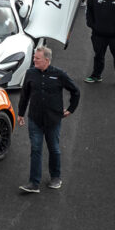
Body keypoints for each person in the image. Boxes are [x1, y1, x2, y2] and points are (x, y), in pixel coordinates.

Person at [18, 45, 80, 193]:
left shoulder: (59, 74)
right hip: (35, 119)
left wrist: (71, 109)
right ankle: (33, 183)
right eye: (34, 57)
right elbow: (24, 94)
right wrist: (20, 114)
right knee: (36, 149)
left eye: (37, 58)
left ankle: (56, 177)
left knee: (54, 149)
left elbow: (75, 91)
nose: (34, 60)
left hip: (53, 120)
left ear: (47, 60)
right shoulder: (30, 73)